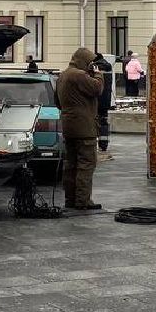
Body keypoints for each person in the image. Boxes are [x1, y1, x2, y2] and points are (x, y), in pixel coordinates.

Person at [57, 47, 105, 211]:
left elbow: (58, 102)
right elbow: (97, 89)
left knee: (71, 164)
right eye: (90, 62)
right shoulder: (78, 75)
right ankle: (83, 201)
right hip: (84, 128)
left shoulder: (63, 75)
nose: (92, 66)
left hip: (69, 126)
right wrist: (98, 74)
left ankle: (70, 199)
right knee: (86, 164)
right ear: (84, 61)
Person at [95, 54, 114, 161]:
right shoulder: (108, 66)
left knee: (93, 122)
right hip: (106, 101)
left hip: (95, 100)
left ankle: (94, 143)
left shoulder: (94, 68)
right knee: (103, 122)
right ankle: (104, 144)